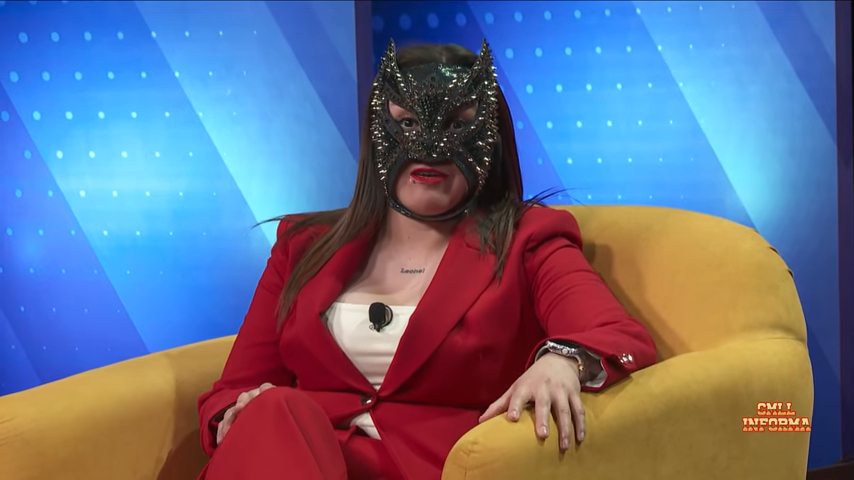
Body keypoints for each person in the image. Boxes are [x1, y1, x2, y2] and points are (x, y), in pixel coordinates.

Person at [196, 40, 657, 480]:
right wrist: (238, 412)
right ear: (378, 133)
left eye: (457, 126)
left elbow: (614, 335)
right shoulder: (302, 245)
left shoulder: (527, 240)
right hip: (294, 460)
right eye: (409, 123)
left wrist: (561, 362)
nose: (431, 147)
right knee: (274, 410)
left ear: (491, 141)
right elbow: (231, 391)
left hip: (432, 467)